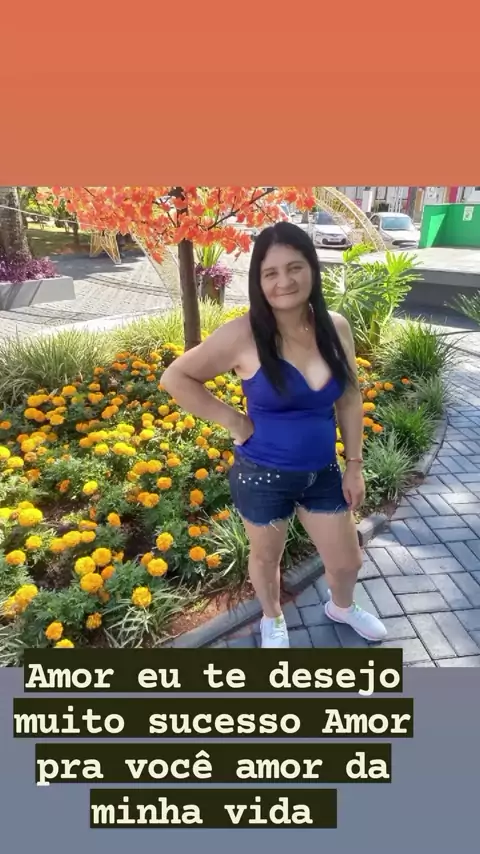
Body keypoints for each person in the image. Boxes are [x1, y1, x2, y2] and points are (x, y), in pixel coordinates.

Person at [162, 222, 388, 648]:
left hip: (322, 473)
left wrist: (354, 464)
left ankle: (341, 607)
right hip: (262, 476)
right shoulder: (242, 334)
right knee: (267, 559)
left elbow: (349, 398)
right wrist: (235, 422)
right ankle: (272, 617)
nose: (284, 281)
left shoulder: (335, 327)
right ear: (259, 280)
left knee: (347, 561)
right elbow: (176, 377)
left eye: (295, 267)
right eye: (271, 272)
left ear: (312, 269)